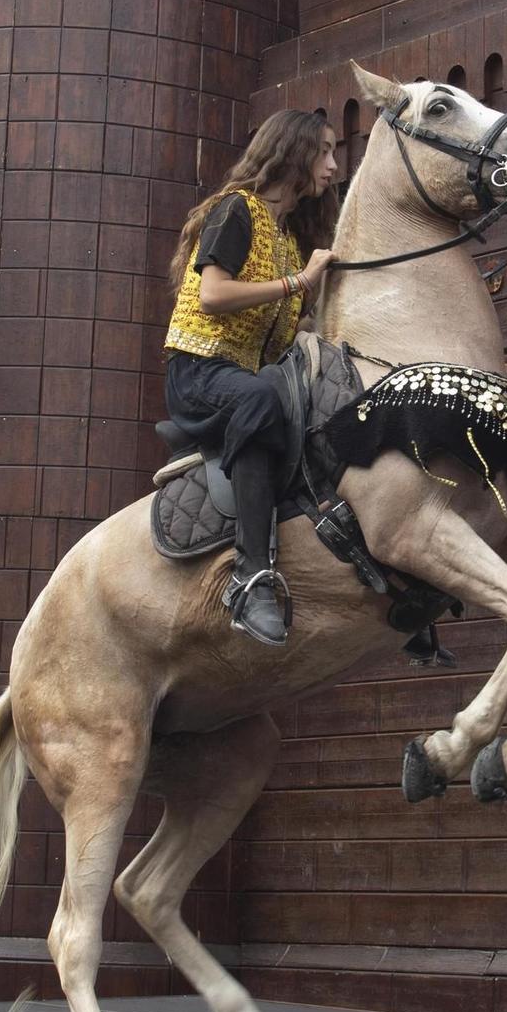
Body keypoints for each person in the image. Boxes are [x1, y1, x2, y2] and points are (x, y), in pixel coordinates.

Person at [163, 110, 338, 645]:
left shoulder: (288, 240)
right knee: (263, 398)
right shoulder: (236, 209)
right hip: (198, 371)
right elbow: (213, 294)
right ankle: (250, 575)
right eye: (324, 151)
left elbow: (287, 331)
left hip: (243, 378)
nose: (333, 165)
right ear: (293, 152)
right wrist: (298, 283)